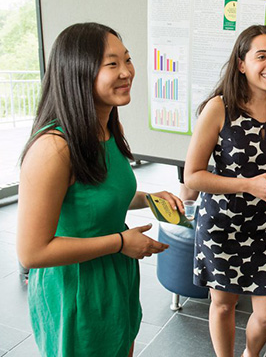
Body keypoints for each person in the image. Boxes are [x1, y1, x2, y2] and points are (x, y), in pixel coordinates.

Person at [16, 23, 183, 357]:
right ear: (78, 72)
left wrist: (150, 200)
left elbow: (100, 195)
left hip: (114, 275)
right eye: (112, 64)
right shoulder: (53, 148)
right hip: (76, 288)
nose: (126, 72)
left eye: (128, 60)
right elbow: (32, 252)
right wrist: (121, 242)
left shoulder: (108, 128)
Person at [184, 25, 266, 357]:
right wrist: (248, 185)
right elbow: (192, 176)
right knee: (223, 304)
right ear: (241, 64)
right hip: (222, 225)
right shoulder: (219, 108)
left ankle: (250, 355)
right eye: (262, 56)